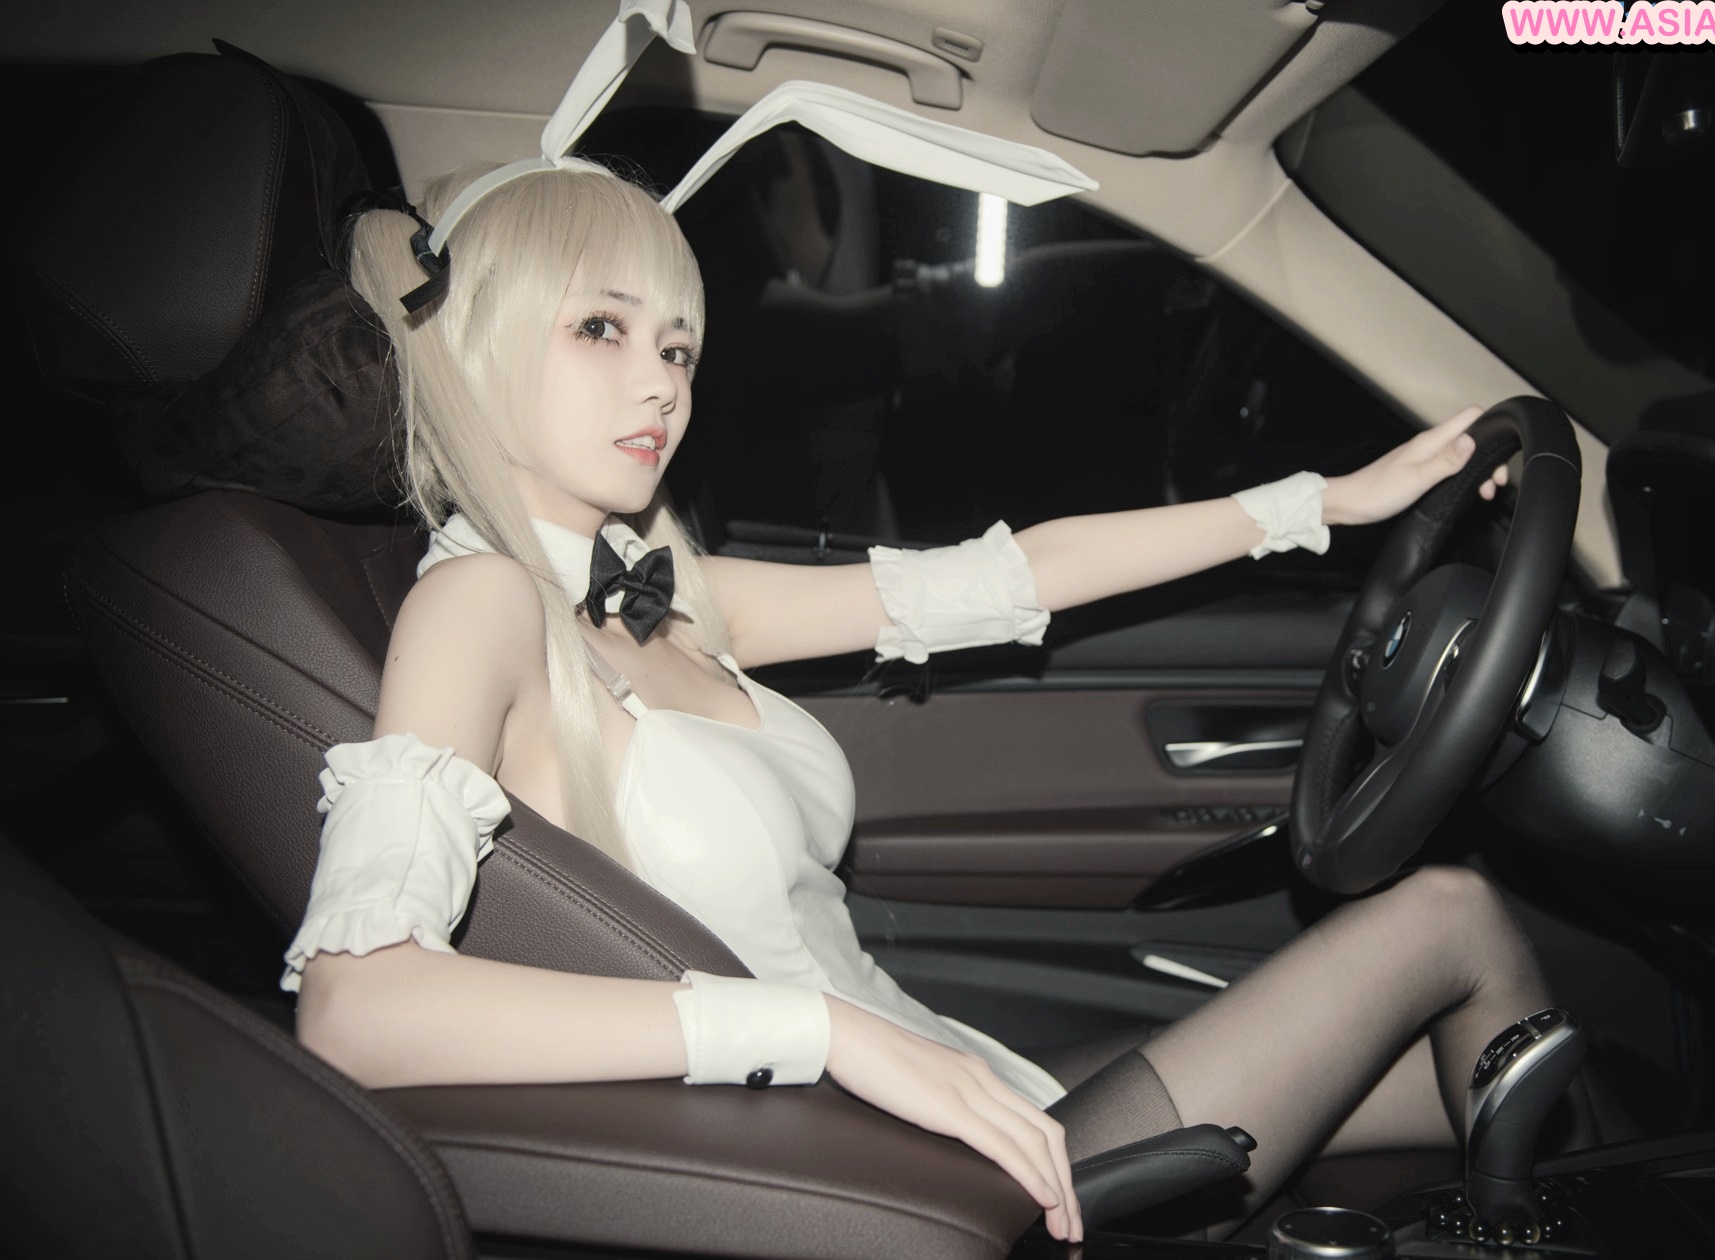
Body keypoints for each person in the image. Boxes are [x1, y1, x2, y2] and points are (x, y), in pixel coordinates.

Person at [287, 157, 1568, 1245]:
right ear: (478, 338)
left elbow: (1011, 578)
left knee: (1516, 1082)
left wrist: (1321, 503)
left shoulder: (665, 592)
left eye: (676, 345)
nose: (662, 384)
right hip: (888, 1172)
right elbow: (358, 1009)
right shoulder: (478, 604)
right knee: (1448, 919)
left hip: (953, 1099)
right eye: (600, 330)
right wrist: (816, 1033)